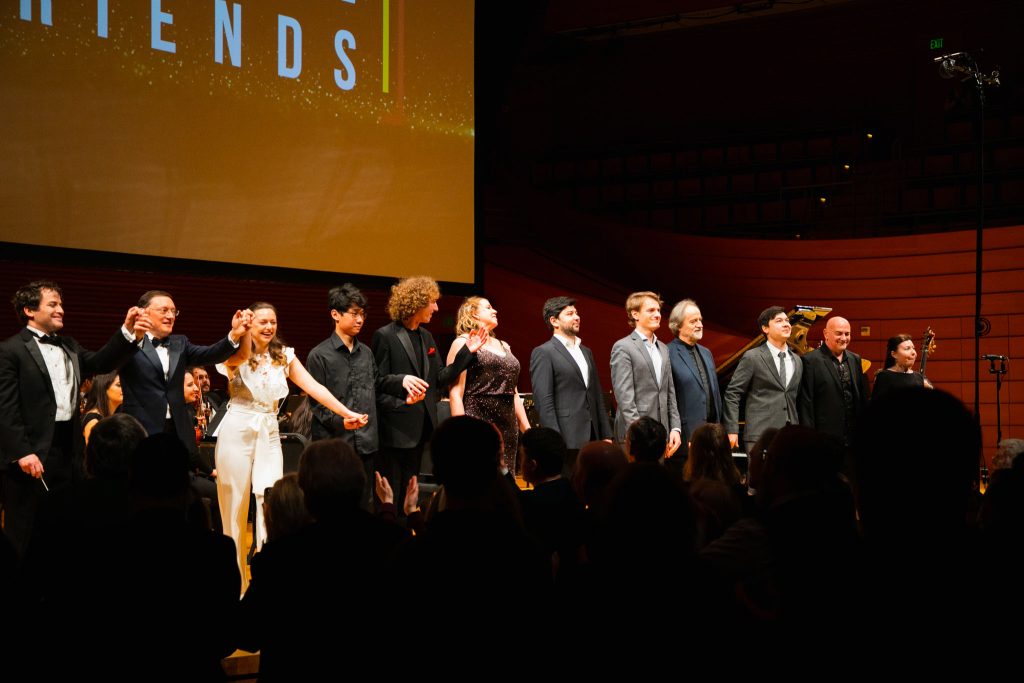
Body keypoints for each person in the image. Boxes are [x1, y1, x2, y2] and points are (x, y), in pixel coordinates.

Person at [216, 301, 369, 589]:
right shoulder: (234, 352)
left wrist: (346, 413)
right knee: (233, 503)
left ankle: (269, 581)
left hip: (269, 428)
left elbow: (315, 388)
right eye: (262, 322)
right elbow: (238, 358)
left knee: (271, 499)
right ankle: (233, 585)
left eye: (273, 322)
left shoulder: (284, 355)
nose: (269, 327)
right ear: (250, 324)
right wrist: (239, 332)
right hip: (238, 426)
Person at [0, 280, 145, 558]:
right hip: (31, 453)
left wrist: (128, 332)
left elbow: (101, 363)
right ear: (30, 310)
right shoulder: (10, 350)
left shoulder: (69, 345)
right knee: (25, 531)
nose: (61, 310)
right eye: (53, 304)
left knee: (66, 525)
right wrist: (22, 452)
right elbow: (5, 408)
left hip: (69, 449)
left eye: (61, 304)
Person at [118, 289, 250, 526]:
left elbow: (210, 354)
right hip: (143, 430)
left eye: (173, 311)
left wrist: (234, 335)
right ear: (144, 313)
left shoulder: (180, 342)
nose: (170, 315)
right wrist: (129, 333)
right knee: (144, 495)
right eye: (164, 310)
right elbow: (106, 359)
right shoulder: (130, 343)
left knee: (176, 496)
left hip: (176, 431)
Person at [371, 276, 483, 514]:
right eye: (432, 302)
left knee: (410, 495)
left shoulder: (426, 336)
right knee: (392, 494)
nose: (436, 308)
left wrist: (467, 352)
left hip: (421, 428)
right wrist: (401, 381)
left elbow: (440, 378)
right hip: (395, 429)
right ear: (417, 302)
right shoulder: (385, 335)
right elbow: (377, 381)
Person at [306, 283, 422, 509]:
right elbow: (317, 405)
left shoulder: (366, 353)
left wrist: (402, 391)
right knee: (333, 506)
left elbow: (377, 386)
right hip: (334, 445)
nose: (360, 320)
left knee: (363, 505)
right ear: (335, 314)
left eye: (363, 314)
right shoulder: (319, 355)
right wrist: (341, 421)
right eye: (354, 314)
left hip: (366, 445)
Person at [448, 297, 532, 475]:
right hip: (477, 424)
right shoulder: (462, 343)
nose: (495, 311)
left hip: (508, 427)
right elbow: (455, 393)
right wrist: (461, 432)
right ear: (473, 313)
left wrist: (528, 431)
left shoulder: (504, 345)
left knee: (506, 481)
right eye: (488, 307)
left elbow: (513, 393)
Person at [529, 296, 613, 450]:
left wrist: (606, 434)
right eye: (570, 314)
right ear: (554, 321)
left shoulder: (586, 351)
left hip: (594, 435)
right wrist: (554, 440)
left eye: (576, 313)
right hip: (566, 436)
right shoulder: (544, 352)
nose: (577, 317)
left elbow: (596, 394)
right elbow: (544, 401)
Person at [609, 291, 682, 455]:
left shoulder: (663, 348)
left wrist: (675, 428)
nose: (657, 315)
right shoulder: (623, 347)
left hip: (661, 434)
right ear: (635, 314)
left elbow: (670, 392)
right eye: (651, 310)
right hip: (635, 435)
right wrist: (640, 432)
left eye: (658, 310)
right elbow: (624, 397)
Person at [723, 306, 803, 453]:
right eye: (779, 321)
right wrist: (732, 429)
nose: (786, 324)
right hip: (760, 434)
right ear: (765, 328)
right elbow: (732, 393)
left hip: (790, 435)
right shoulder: (753, 357)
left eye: (787, 320)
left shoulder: (797, 360)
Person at [798, 316, 869, 447]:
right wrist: (809, 438)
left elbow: (861, 399)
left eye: (847, 334)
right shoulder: (810, 361)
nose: (844, 338)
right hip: (824, 438)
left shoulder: (855, 359)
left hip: (853, 438)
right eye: (839, 333)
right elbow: (806, 404)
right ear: (826, 334)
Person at [666, 299, 723, 446]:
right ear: (678, 325)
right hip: (686, 435)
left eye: (700, 320)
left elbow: (715, 394)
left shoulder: (706, 353)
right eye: (693, 321)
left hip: (712, 434)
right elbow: (667, 398)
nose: (700, 325)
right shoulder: (667, 353)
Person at [872, 333, 934, 400]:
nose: (913, 352)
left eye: (913, 348)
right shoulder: (884, 377)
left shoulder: (918, 377)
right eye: (907, 348)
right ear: (894, 354)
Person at [81, 371, 123, 445]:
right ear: (104, 388)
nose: (124, 389)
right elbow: (95, 452)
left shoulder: (115, 416)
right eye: (119, 385)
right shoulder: (93, 421)